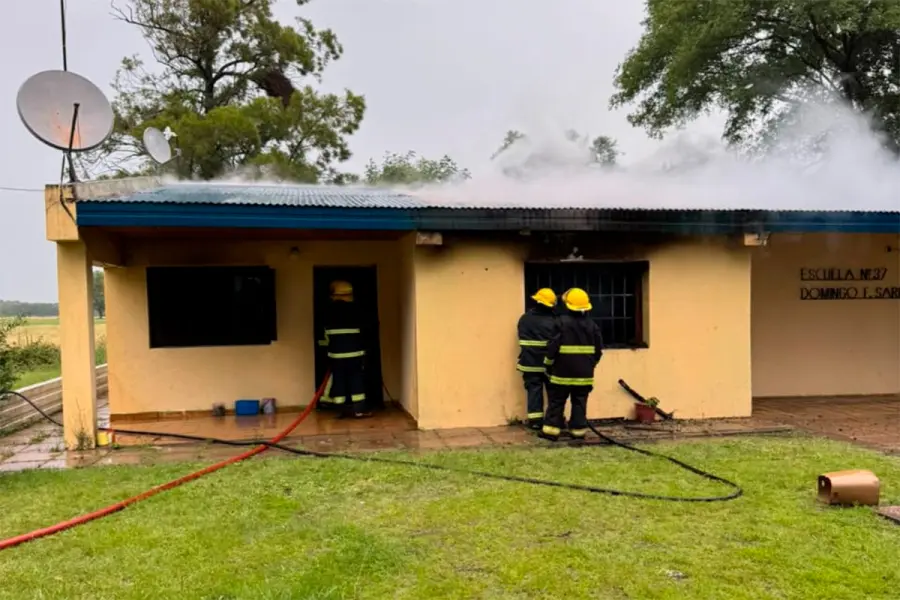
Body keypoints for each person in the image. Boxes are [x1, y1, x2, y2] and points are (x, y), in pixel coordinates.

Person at [540, 287, 604, 441]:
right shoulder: (593, 326)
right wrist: (590, 366)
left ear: (568, 305)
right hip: (584, 375)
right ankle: (578, 431)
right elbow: (598, 352)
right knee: (579, 402)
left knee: (557, 401)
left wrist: (548, 364)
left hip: (561, 373)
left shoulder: (560, 323)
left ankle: (551, 431)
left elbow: (552, 347)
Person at [317, 280, 372, 419]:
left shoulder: (327, 311)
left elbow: (324, 335)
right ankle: (359, 409)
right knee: (356, 379)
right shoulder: (357, 310)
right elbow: (365, 331)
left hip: (336, 355)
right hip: (355, 353)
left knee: (339, 380)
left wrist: (326, 351)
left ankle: (340, 409)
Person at [516, 288, 559, 430]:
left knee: (534, 391)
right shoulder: (555, 321)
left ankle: (535, 421)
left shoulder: (524, 318)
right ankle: (554, 419)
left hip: (529, 363)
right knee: (553, 392)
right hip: (550, 364)